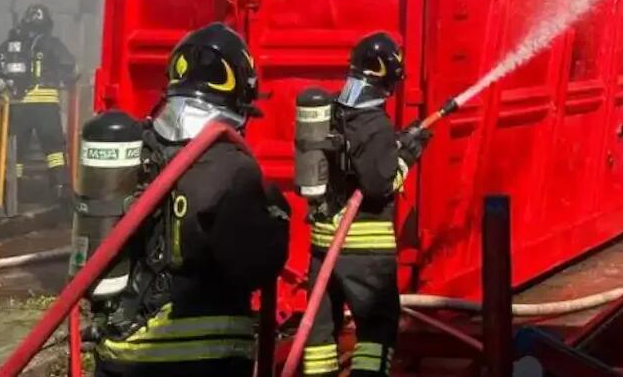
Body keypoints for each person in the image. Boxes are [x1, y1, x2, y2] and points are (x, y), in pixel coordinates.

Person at [92, 22, 291, 377]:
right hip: (196, 362)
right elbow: (253, 266)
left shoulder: (137, 149)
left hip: (117, 355)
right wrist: (276, 214)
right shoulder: (230, 166)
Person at [302, 31, 430, 376]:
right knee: (376, 334)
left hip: (322, 250)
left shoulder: (331, 111)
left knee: (319, 336)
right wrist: (407, 156)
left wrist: (396, 145)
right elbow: (379, 186)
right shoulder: (375, 124)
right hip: (365, 256)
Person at [0, 4, 76, 200]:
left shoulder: (11, 45)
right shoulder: (52, 44)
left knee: (16, 151)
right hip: (46, 105)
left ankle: (11, 197)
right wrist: (57, 80)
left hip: (18, 104)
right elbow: (70, 67)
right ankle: (60, 194)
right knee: (54, 149)